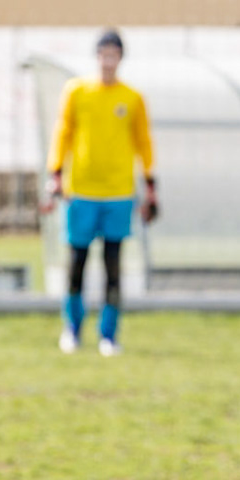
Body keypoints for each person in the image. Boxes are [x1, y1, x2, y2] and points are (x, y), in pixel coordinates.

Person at [43, 28, 157, 357]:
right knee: (76, 264)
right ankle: (72, 329)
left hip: (119, 193)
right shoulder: (77, 91)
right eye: (103, 54)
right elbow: (62, 133)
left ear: (120, 58)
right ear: (96, 57)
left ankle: (109, 334)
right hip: (81, 191)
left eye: (113, 55)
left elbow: (144, 142)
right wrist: (56, 173)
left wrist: (150, 184)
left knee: (113, 266)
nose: (108, 61)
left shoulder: (132, 98)